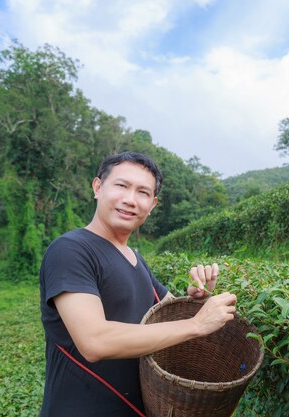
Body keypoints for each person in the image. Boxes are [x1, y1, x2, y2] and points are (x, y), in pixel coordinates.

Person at [39, 151, 237, 416]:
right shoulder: (71, 250)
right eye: (121, 186)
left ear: (152, 204)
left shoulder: (136, 259)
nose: (130, 200)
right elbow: (94, 340)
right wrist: (196, 324)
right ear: (98, 187)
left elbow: (167, 313)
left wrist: (196, 299)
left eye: (143, 193)